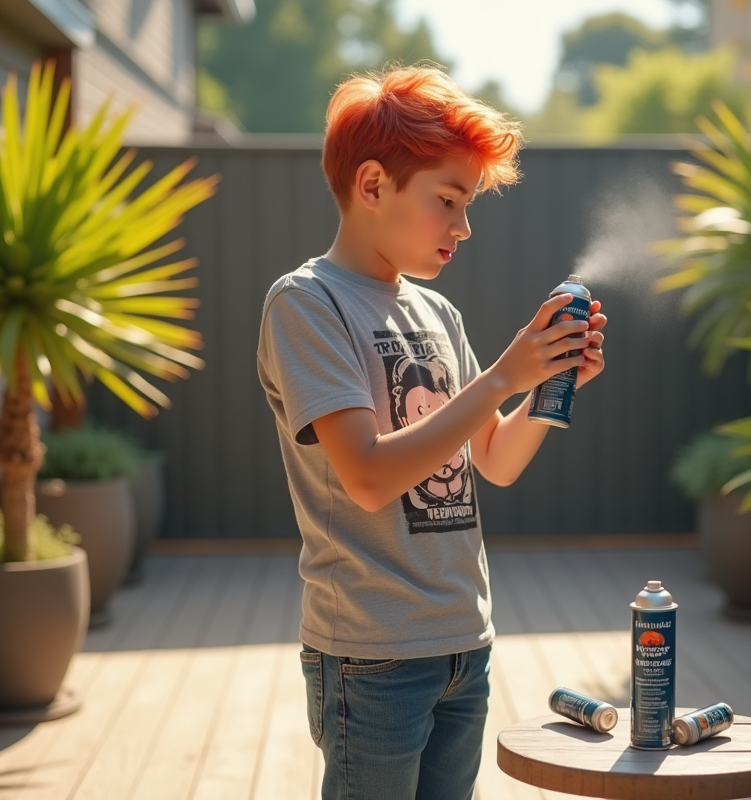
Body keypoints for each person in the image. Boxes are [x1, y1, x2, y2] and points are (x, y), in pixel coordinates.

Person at [256, 64, 608, 800]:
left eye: (469, 203)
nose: (464, 226)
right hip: (371, 653)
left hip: (462, 643)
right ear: (374, 185)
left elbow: (496, 460)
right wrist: (505, 376)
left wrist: (549, 386)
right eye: (448, 200)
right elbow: (368, 476)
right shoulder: (307, 305)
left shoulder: (438, 316)